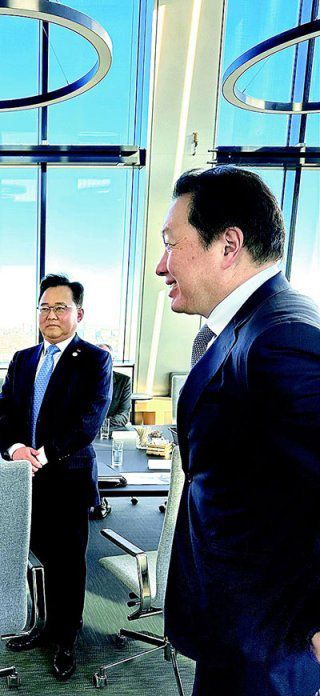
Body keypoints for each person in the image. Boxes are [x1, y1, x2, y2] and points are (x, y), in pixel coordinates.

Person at [156, 166, 320, 695]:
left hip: (267, 642)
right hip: (233, 618)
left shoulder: (282, 336)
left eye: (171, 244)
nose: (161, 266)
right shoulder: (248, 325)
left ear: (228, 245)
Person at [0, 273, 112, 681]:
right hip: (25, 479)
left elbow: (88, 421)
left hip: (68, 479)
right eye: (44, 307)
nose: (51, 315)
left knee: (68, 564)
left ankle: (66, 638)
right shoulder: (23, 359)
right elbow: (5, 408)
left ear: (79, 313)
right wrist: (15, 448)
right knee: (37, 559)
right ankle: (42, 626)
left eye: (60, 307)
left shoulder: (95, 360)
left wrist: (42, 454)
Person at [89, 343, 133, 519]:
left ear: (112, 361)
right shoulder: (81, 379)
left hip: (111, 435)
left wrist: (98, 422)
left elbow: (124, 416)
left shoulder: (123, 381)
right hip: (85, 435)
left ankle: (100, 499)